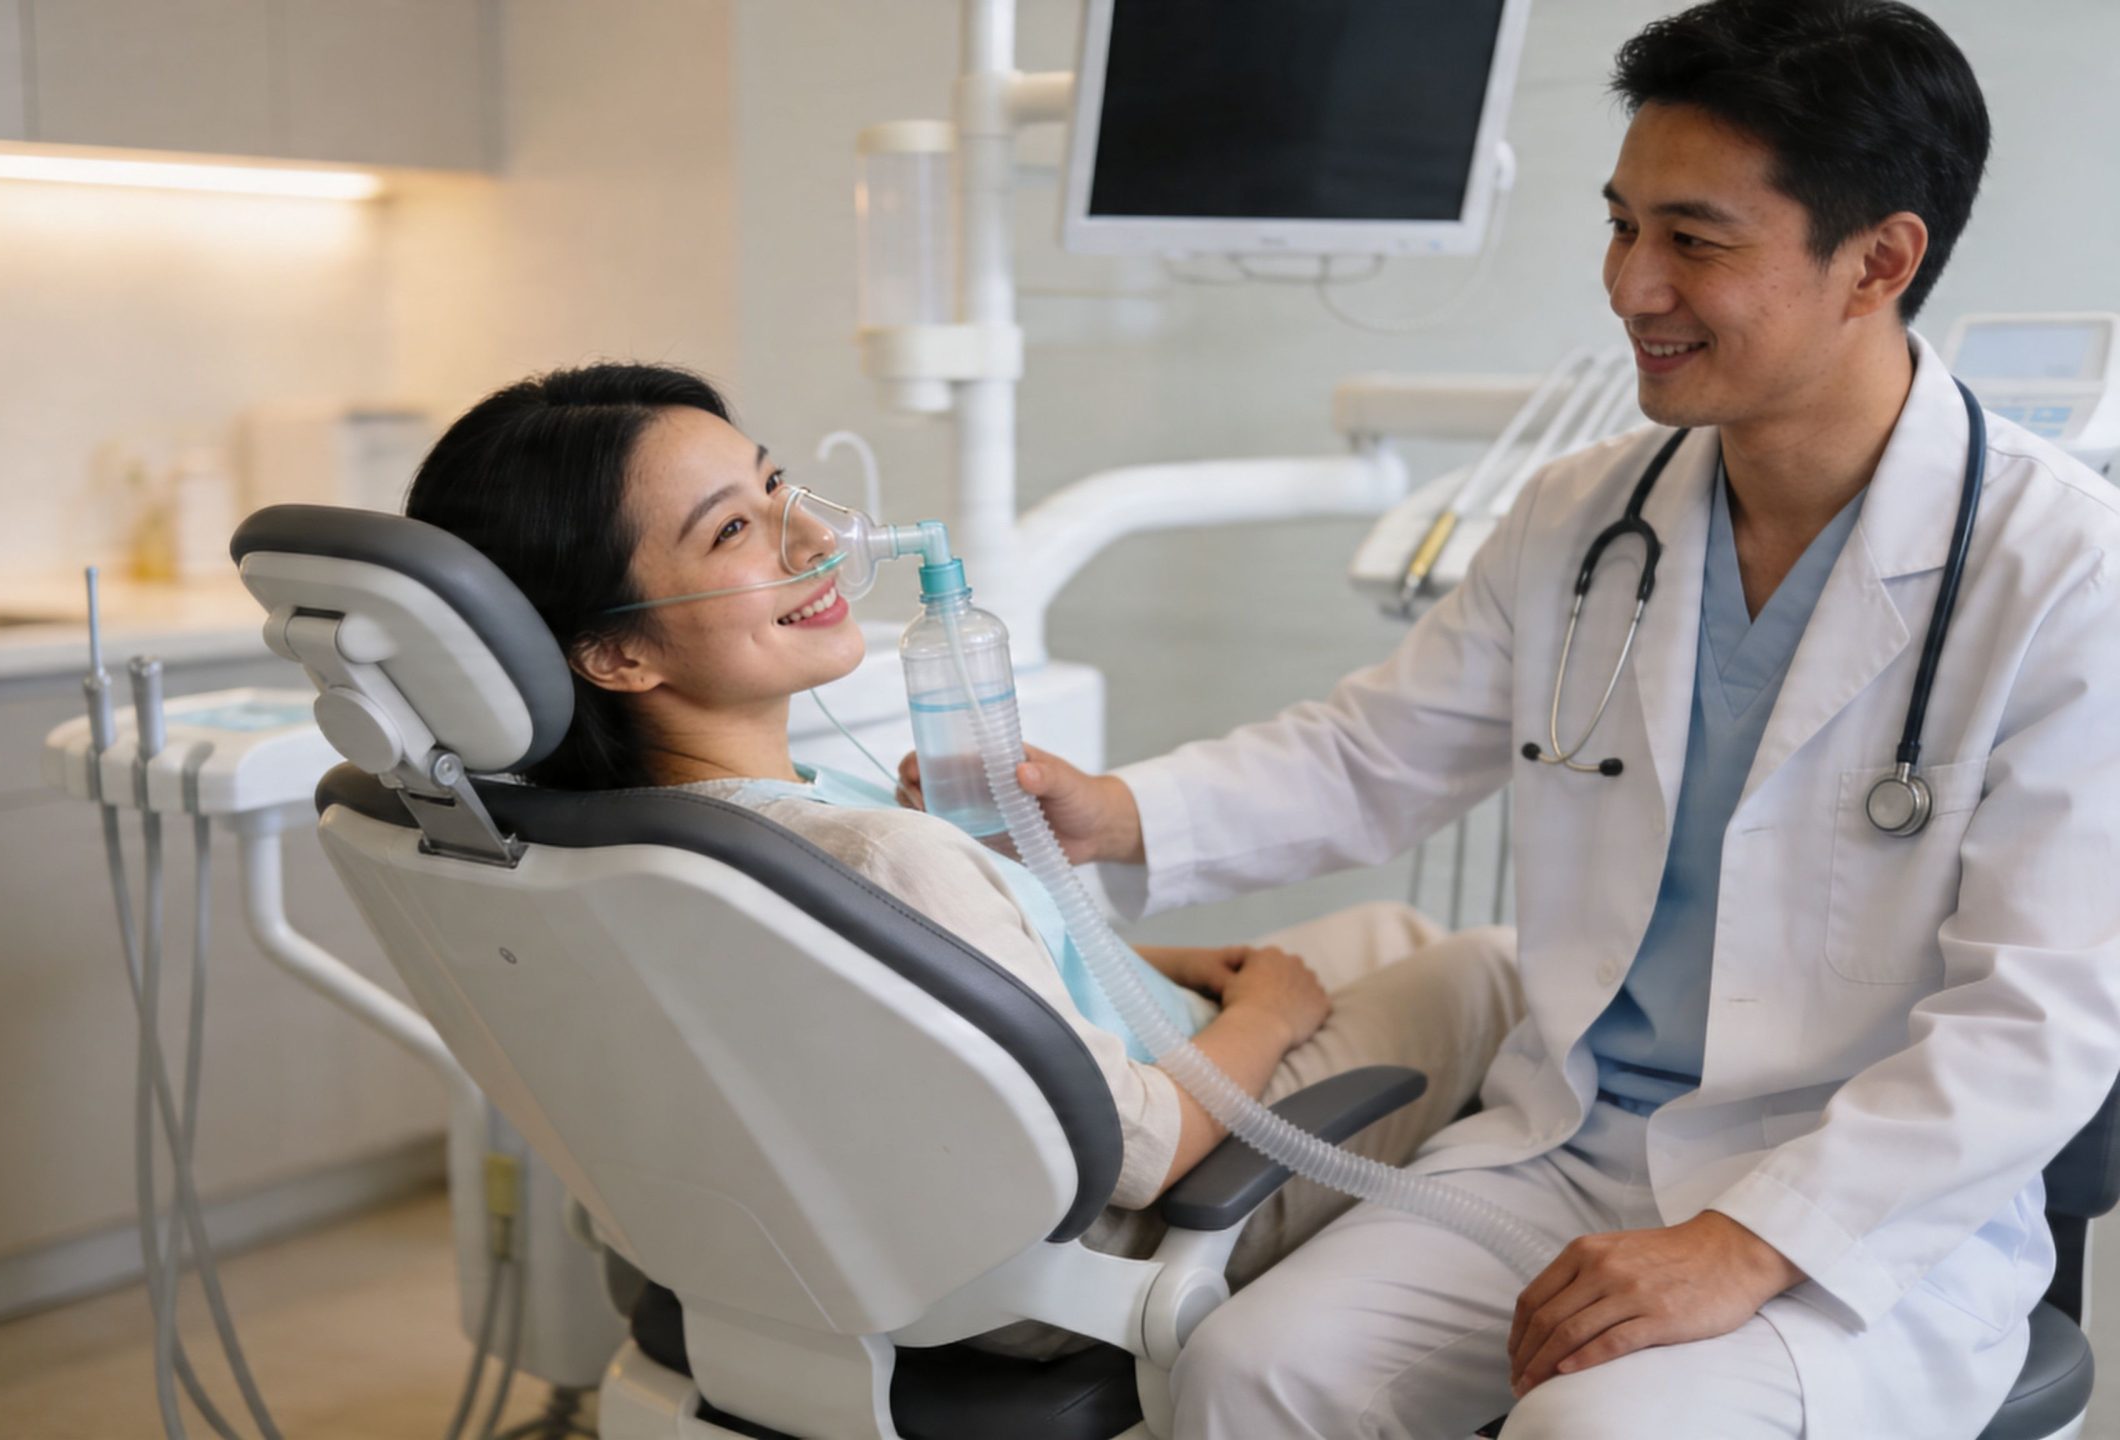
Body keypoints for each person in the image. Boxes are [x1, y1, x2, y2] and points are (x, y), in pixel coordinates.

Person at [906, 1, 2120, 1434]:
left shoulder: (2061, 571)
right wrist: (1109, 812)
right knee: (1246, 1369)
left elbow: (2040, 1015)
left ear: (1879, 261)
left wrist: (1747, 1243)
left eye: (1693, 240)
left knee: (1589, 1427)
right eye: (1620, 225)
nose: (1630, 285)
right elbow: (1372, 756)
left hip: (1860, 1216)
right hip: (1573, 1144)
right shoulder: (1586, 515)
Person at [401, 361, 1522, 1355]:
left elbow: (947, 994)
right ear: (612, 652)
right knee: (1489, 968)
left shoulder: (631, 835)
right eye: (732, 531)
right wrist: (1268, 1016)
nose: (816, 538)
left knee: (1389, 934)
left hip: (910, 1225)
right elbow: (1135, 1151)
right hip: (1105, 1247)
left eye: (776, 485)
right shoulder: (874, 853)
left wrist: (1158, 960)